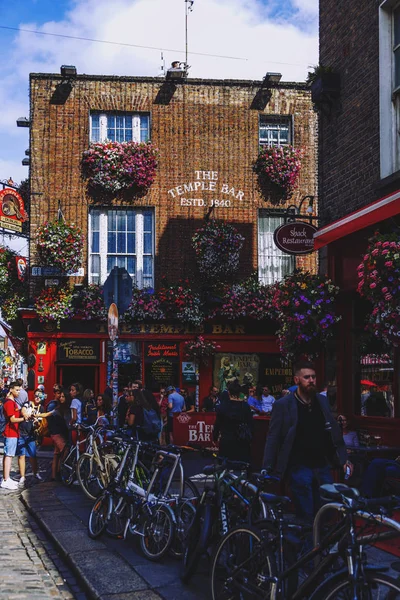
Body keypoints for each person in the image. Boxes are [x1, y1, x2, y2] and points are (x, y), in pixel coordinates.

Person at [263, 361, 351, 522]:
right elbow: (273, 436)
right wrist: (267, 466)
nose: (311, 380)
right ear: (297, 380)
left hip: (321, 464)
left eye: (314, 377)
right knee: (306, 513)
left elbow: (332, 431)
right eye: (307, 377)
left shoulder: (321, 401)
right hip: (298, 465)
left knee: (327, 510)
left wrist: (342, 458)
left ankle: (321, 545)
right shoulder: (283, 405)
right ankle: (307, 545)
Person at [18, 388, 55, 483]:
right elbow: (23, 410)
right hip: (22, 431)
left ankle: (35, 473)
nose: (37, 398)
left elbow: (40, 423)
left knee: (33, 455)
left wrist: (37, 422)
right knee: (21, 455)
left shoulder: (41, 408)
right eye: (36, 395)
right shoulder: (28, 403)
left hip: (31, 434)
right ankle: (22, 476)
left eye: (40, 396)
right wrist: (26, 415)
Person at [213, 381, 253, 463]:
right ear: (240, 392)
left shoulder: (222, 407)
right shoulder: (245, 407)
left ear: (228, 392)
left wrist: (215, 437)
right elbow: (250, 424)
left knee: (223, 466)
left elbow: (217, 424)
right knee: (242, 465)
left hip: (226, 440)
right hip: (242, 441)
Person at [1, 381, 27, 489]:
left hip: (13, 432)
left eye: (19, 390)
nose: (18, 392)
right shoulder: (9, 403)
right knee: (9, 456)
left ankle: (6, 478)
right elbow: (12, 419)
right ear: (11, 389)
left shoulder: (12, 402)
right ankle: (6, 480)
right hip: (10, 432)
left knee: (9, 455)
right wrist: (24, 418)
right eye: (16, 390)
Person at [47, 388, 70, 481]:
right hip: (57, 433)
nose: (61, 398)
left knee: (56, 454)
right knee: (65, 450)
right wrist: (37, 415)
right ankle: (60, 468)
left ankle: (54, 475)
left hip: (60, 432)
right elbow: (48, 414)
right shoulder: (58, 407)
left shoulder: (64, 407)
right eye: (60, 396)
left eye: (63, 397)